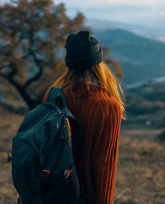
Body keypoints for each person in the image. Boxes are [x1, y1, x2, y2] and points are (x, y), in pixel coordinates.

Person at [46, 30, 125, 204]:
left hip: (50, 192)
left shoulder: (53, 97)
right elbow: (104, 167)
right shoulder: (109, 107)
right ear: (98, 64)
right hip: (83, 197)